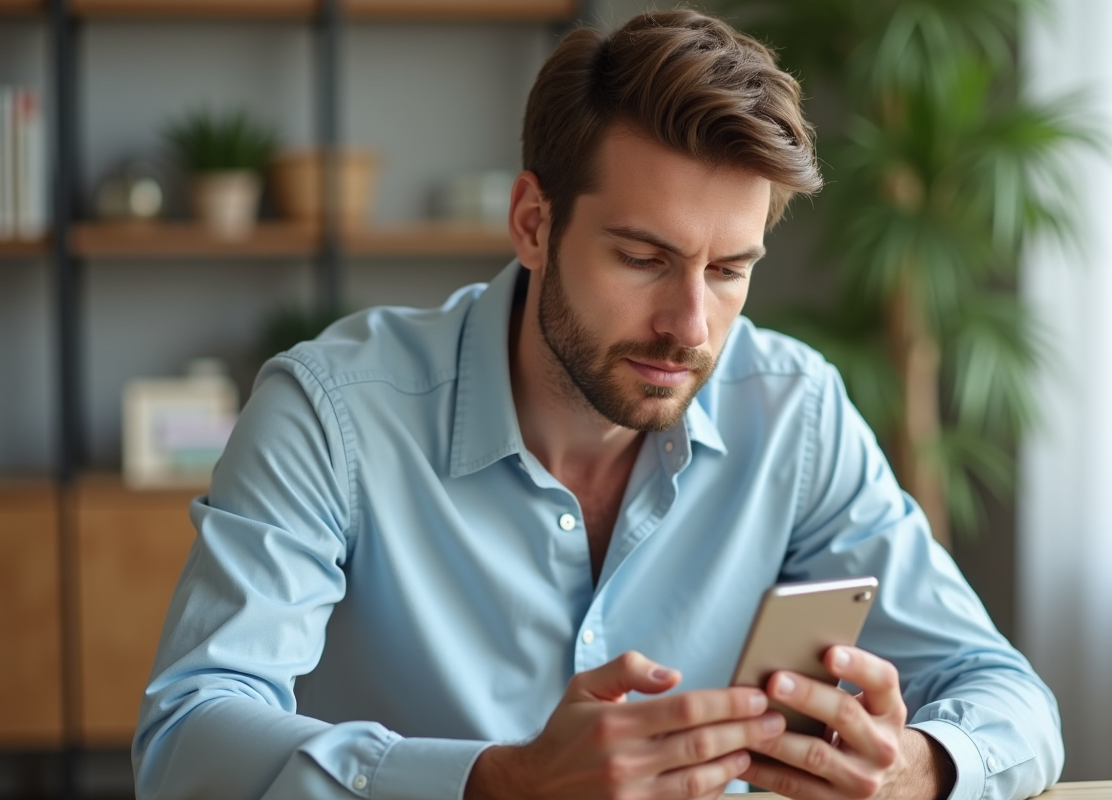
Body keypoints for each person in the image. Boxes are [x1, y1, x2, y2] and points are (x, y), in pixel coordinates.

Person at [133, 9, 1063, 800]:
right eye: (643, 258)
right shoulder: (330, 414)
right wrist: (495, 782)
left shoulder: (796, 412)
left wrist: (923, 766)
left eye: (730, 270)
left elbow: (1003, 692)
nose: (689, 326)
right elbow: (187, 738)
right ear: (534, 222)